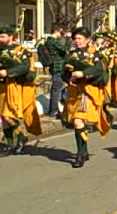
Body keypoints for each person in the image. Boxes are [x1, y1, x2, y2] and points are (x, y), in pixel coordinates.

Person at [62, 27, 110, 168]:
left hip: (89, 91)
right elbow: (64, 71)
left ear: (88, 39)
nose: (77, 41)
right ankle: (84, 152)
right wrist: (68, 77)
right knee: (78, 122)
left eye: (80, 39)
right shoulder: (71, 54)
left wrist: (83, 74)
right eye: (75, 39)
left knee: (78, 121)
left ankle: (80, 154)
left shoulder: (97, 54)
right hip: (75, 92)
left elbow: (99, 70)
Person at [0, 26, 42, 155]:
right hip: (2, 86)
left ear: (11, 37)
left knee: (8, 115)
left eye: (2, 36)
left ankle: (21, 136)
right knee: (3, 115)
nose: (0, 39)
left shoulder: (22, 50)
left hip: (18, 86)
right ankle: (10, 143)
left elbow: (24, 67)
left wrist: (8, 72)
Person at [45, 25, 71, 118]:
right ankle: (54, 111)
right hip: (57, 67)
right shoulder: (52, 41)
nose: (61, 34)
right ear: (57, 31)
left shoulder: (51, 41)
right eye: (61, 32)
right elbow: (66, 49)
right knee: (56, 88)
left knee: (66, 85)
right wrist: (68, 39)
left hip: (60, 67)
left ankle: (63, 104)